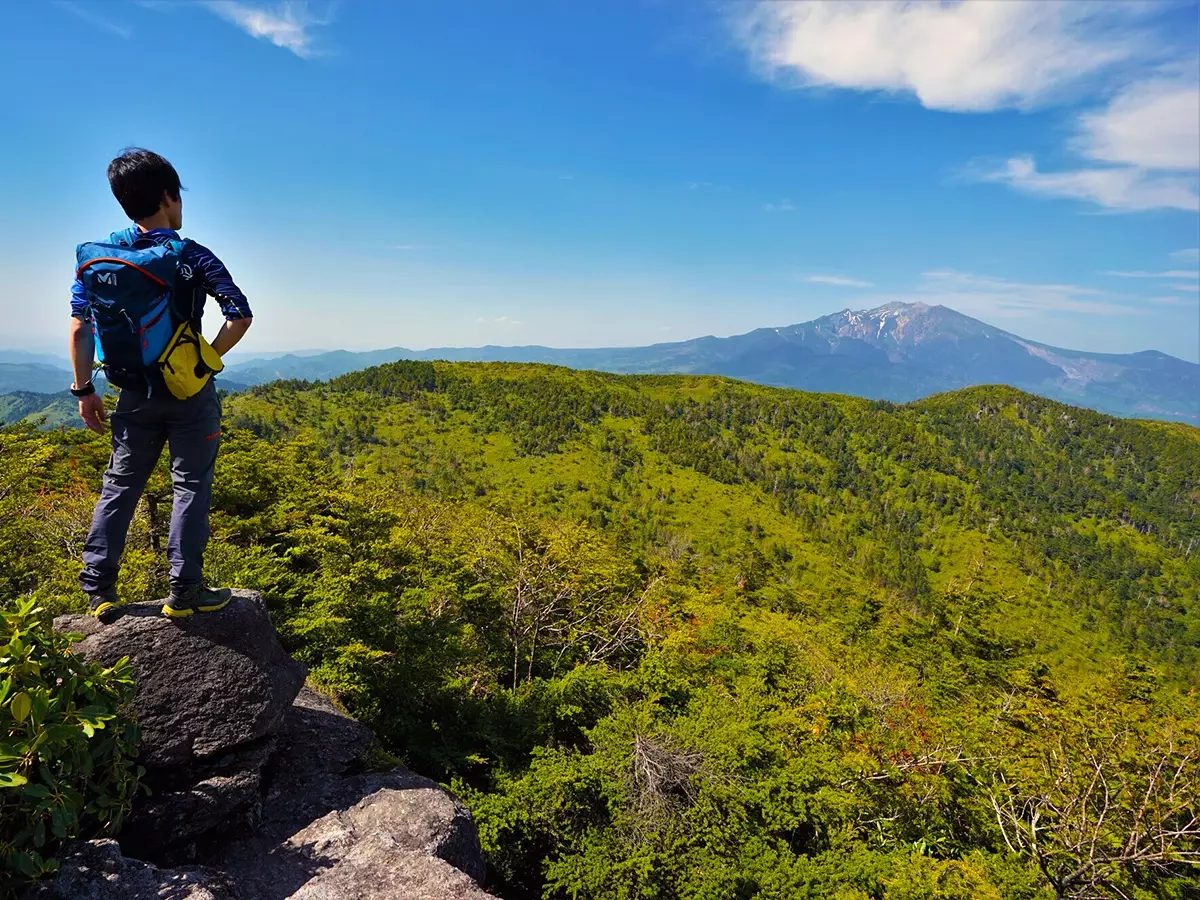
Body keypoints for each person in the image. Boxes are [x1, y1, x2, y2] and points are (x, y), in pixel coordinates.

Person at [70, 148, 253, 622]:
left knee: (120, 486)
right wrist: (204, 362)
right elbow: (240, 315)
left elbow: (80, 328)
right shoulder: (189, 254)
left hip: (131, 393)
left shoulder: (97, 257)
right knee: (190, 486)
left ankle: (100, 593)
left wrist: (84, 391)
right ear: (170, 196)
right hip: (190, 397)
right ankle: (185, 592)